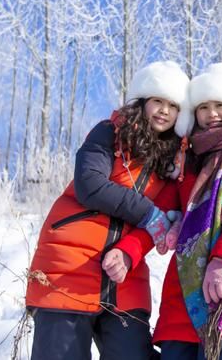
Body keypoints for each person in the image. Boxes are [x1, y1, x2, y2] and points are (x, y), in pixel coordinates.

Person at [108, 63, 222, 359]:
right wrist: (128, 250)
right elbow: (161, 213)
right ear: (194, 113)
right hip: (184, 291)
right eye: (204, 107)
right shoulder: (186, 164)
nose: (212, 113)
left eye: (220, 105)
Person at [25, 61, 189, 360]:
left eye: (172, 105)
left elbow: (159, 222)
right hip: (68, 267)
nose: (164, 110)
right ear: (142, 102)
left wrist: (128, 252)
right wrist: (147, 212)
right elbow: (90, 184)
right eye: (157, 101)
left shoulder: (173, 164)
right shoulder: (109, 132)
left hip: (124, 278)